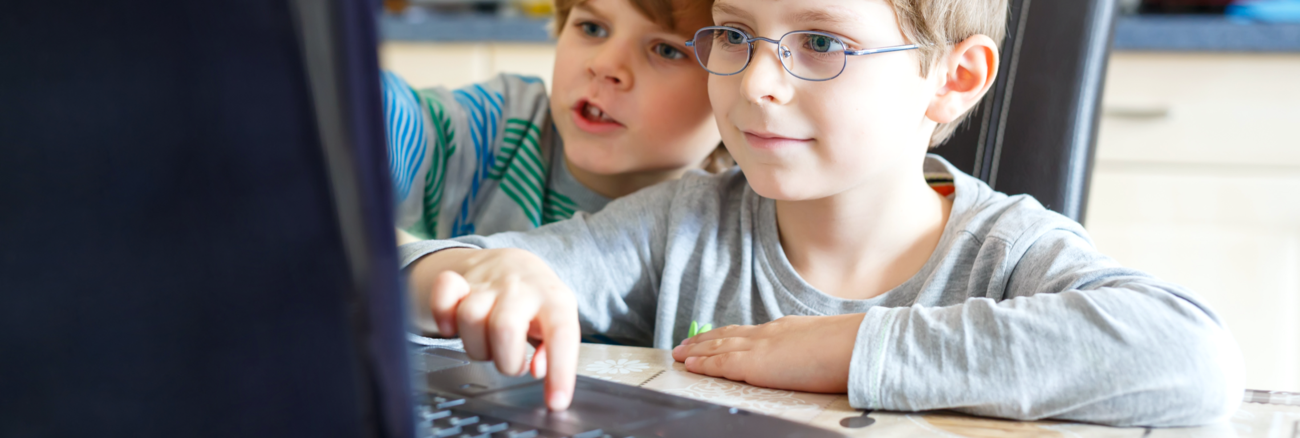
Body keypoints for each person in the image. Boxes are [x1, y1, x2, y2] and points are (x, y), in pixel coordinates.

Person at [397, 0, 1244, 426]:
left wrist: (850, 347)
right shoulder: (680, 223)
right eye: (735, 35)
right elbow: (480, 274)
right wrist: (477, 267)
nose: (758, 82)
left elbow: (1193, 356)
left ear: (954, 77)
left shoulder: (1007, 251)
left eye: (822, 44)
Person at [383, 0, 724, 245]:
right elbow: (383, 121)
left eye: (666, 50)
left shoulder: (744, 232)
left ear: (737, 88)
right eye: (592, 28)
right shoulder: (500, 130)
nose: (604, 64)